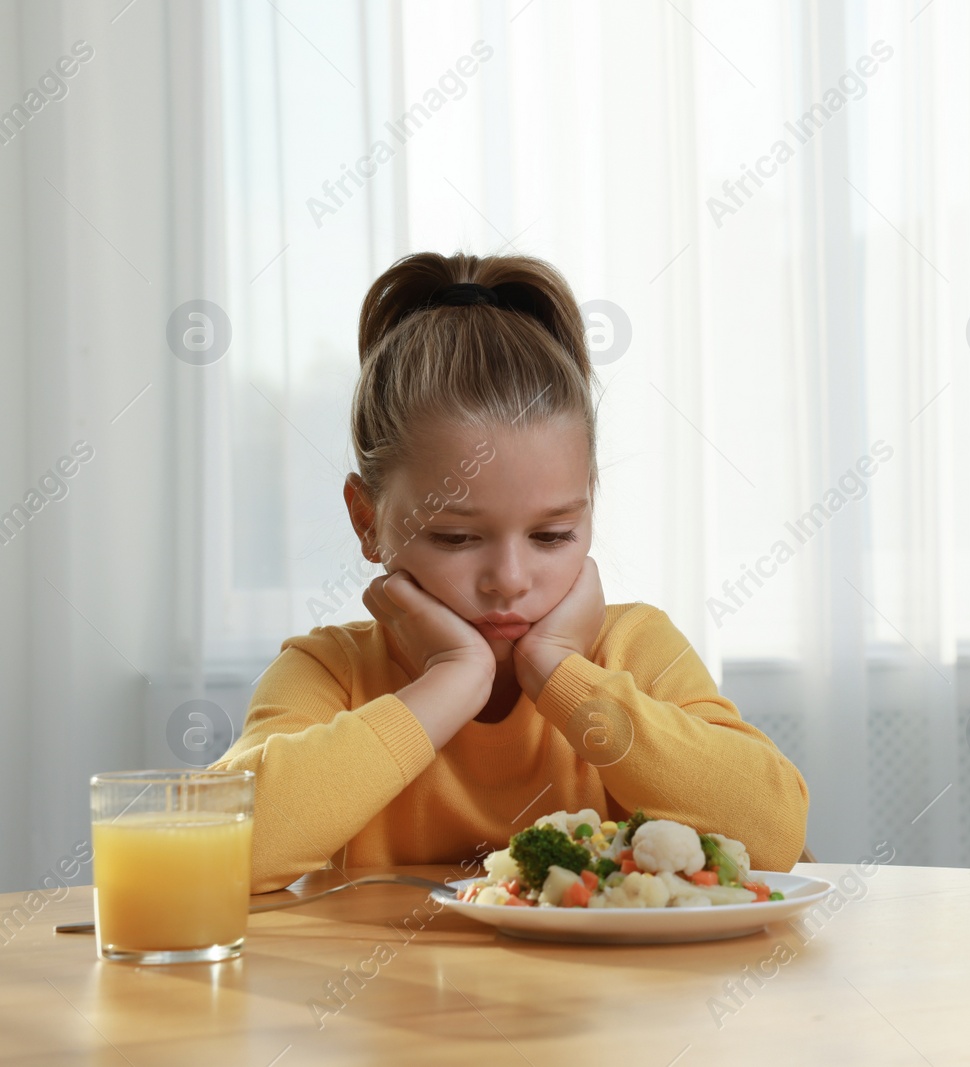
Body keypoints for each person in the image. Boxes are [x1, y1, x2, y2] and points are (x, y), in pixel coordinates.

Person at [211, 251, 810, 894]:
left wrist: (558, 671)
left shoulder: (634, 649)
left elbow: (773, 835)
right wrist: (452, 681)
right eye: (457, 537)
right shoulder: (330, 671)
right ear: (367, 521)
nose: (510, 579)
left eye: (553, 536)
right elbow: (218, 853)